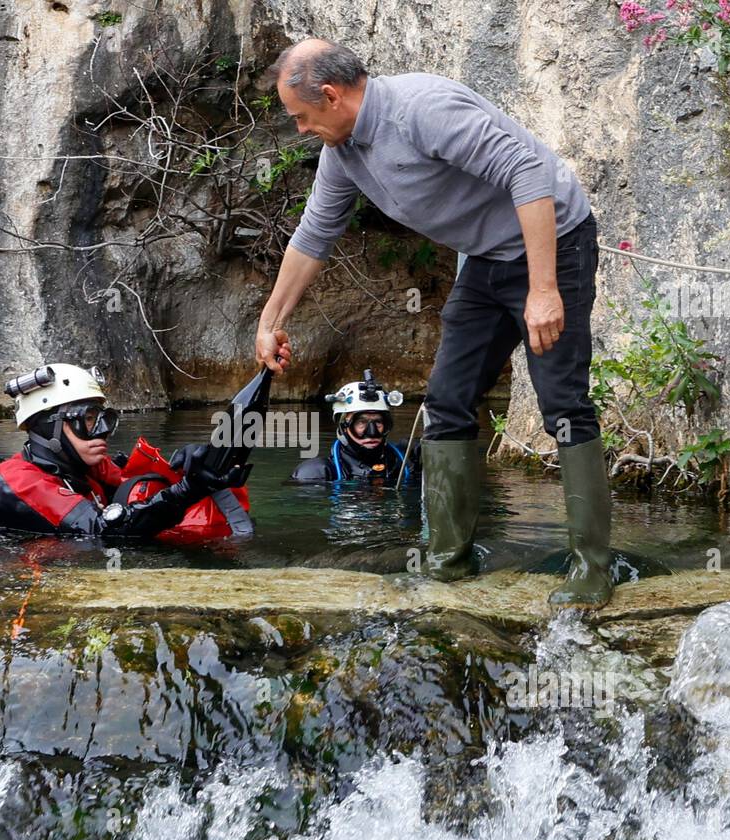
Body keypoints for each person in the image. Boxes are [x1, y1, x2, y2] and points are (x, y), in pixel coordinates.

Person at [253, 38, 612, 609]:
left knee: (562, 403)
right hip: (487, 260)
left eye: (301, 117)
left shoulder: (422, 108)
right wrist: (271, 320)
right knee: (445, 402)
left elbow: (528, 174)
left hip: (554, 246)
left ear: (330, 94)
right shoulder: (342, 154)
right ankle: (448, 559)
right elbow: (315, 234)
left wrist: (544, 289)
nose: (299, 129)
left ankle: (593, 568)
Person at [0, 363, 246, 537]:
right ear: (47, 426)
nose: (101, 431)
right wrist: (186, 491)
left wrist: (189, 469)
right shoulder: (21, 484)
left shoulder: (81, 466)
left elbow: (136, 483)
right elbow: (103, 531)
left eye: (102, 419)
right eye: (87, 419)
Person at [289, 371, 417, 483]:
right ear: (344, 426)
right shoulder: (318, 473)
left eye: (378, 422)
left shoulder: (406, 460)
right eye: (361, 422)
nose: (372, 432)